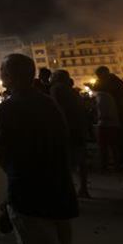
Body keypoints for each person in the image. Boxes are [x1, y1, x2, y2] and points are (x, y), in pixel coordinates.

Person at [0, 54, 80, 244]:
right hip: (60, 190)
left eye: (2, 70)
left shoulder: (9, 107)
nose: (0, 74)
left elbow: (3, 153)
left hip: (30, 197)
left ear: (10, 76)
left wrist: (12, 192)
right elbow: (64, 142)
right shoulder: (48, 102)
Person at [50, 70, 90, 198]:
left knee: (65, 161)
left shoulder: (56, 89)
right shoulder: (73, 91)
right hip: (78, 128)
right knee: (80, 160)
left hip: (66, 129)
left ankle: (68, 190)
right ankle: (83, 187)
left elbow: (58, 109)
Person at [94, 66, 123, 168]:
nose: (98, 78)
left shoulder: (111, 83)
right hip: (117, 112)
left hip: (119, 112)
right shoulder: (114, 81)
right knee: (120, 139)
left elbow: (99, 88)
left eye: (99, 75)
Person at [95, 90, 120, 171]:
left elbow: (103, 112)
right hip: (112, 124)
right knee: (113, 146)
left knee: (103, 146)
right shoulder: (107, 96)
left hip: (105, 124)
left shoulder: (101, 97)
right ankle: (116, 164)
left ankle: (104, 165)